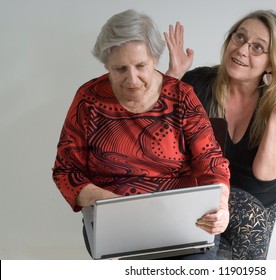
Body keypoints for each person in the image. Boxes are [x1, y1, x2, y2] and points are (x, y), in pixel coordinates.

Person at [52, 9, 230, 260]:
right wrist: (113, 205)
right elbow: (66, 171)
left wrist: (221, 207)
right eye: (119, 69)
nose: (132, 79)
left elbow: (211, 161)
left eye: (140, 66)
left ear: (155, 59)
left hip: (182, 220)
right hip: (116, 223)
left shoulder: (182, 96)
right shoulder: (89, 99)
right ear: (106, 65)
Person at [164, 10, 276, 259]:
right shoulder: (198, 83)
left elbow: (265, 178)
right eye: (239, 38)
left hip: (253, 210)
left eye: (257, 48)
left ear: (272, 62)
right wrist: (172, 76)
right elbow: (152, 138)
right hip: (203, 197)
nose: (242, 50)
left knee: (241, 234)